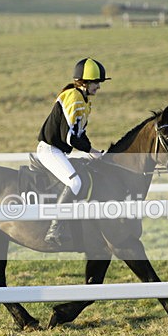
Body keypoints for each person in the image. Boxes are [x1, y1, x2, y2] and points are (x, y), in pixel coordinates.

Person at [37, 57, 109, 246]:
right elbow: (69, 137)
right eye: (96, 83)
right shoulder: (74, 97)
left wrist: (93, 151)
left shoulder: (85, 101)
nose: (99, 87)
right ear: (84, 82)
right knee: (75, 182)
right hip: (50, 150)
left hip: (60, 151)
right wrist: (91, 150)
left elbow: (80, 134)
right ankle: (54, 229)